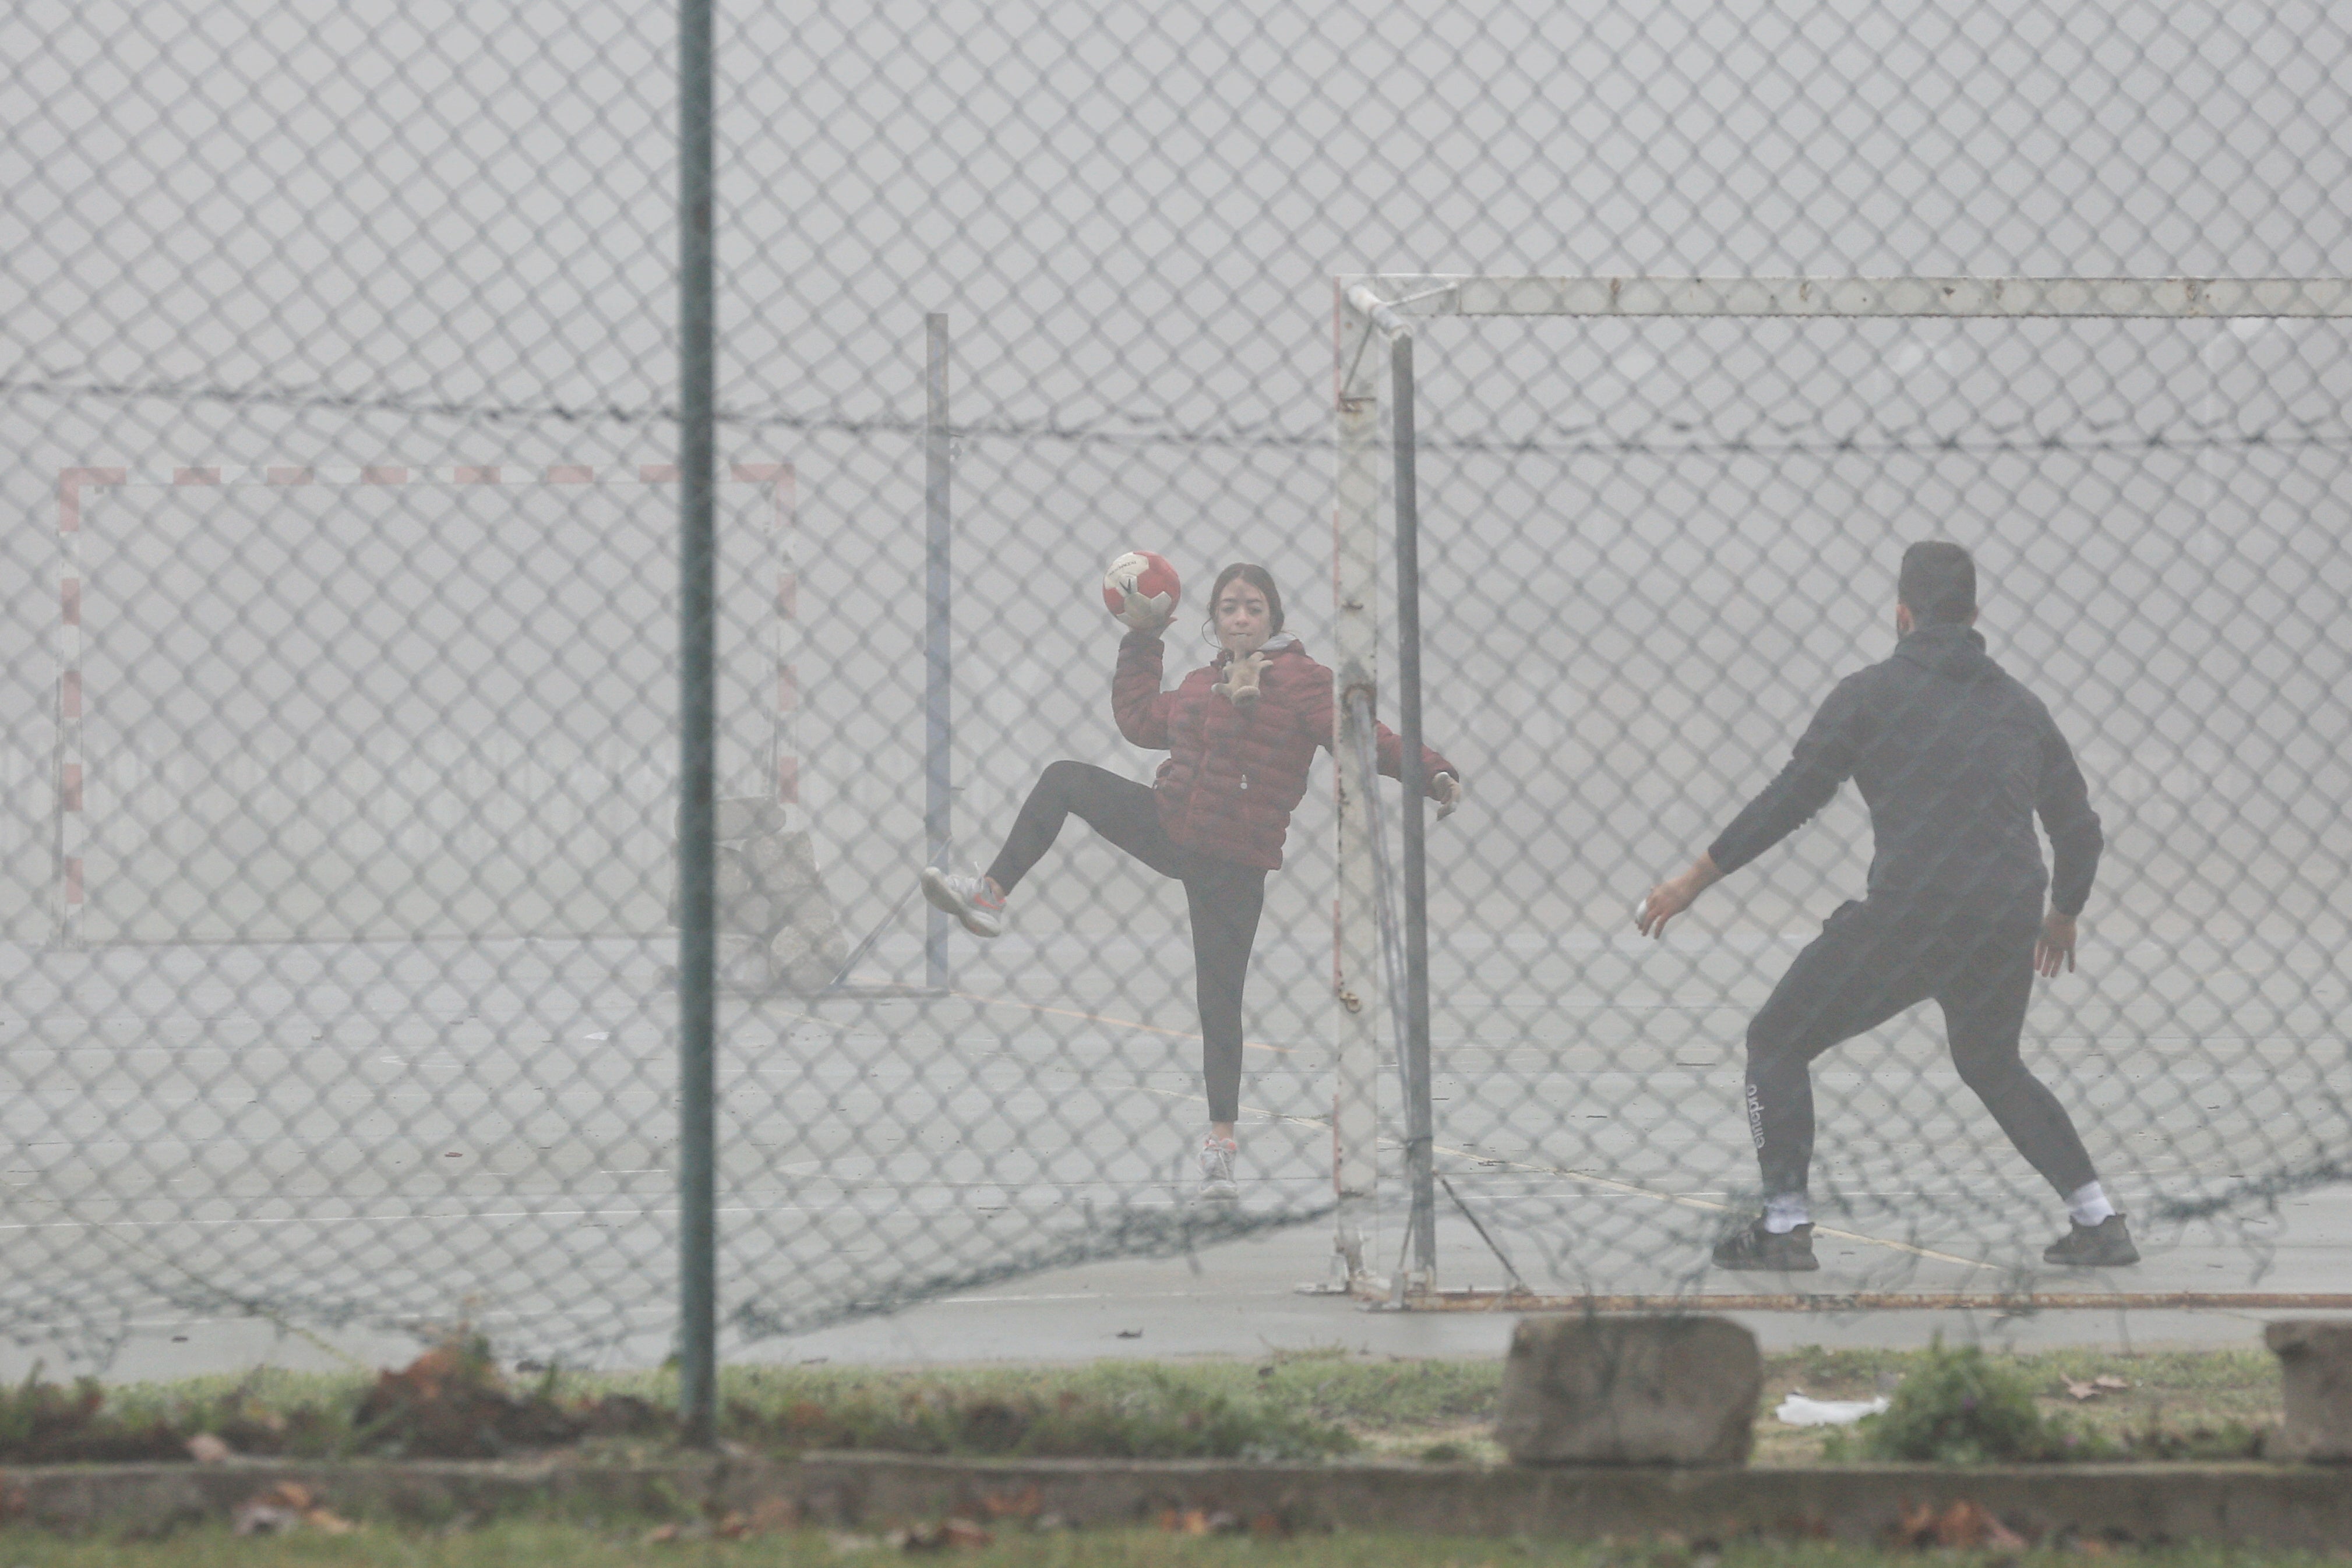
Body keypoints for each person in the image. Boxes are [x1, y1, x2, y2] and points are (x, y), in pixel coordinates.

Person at [1635, 542, 2135, 1271]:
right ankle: (2098, 1220)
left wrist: (1691, 880)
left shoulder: (1868, 694)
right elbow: (2078, 829)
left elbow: (1791, 799)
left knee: (1775, 1040)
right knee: (1991, 1061)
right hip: (2006, 912)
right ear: (1974, 615)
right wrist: (2062, 912)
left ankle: (1783, 1227)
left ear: (1901, 614)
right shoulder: (2020, 706)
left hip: (1912, 914)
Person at [922, 562, 1462, 1203]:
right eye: (1229, 607)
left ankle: (1220, 1146)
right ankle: (988, 895)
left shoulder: (1303, 682)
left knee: (1218, 1000)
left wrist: (1432, 774)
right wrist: (1142, 639)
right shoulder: (1200, 681)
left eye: (1253, 607)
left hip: (1235, 858)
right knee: (1063, 778)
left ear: (1274, 619)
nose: (1239, 617)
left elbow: (1365, 736)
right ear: (1211, 619)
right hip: (1170, 824)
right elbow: (1138, 721)